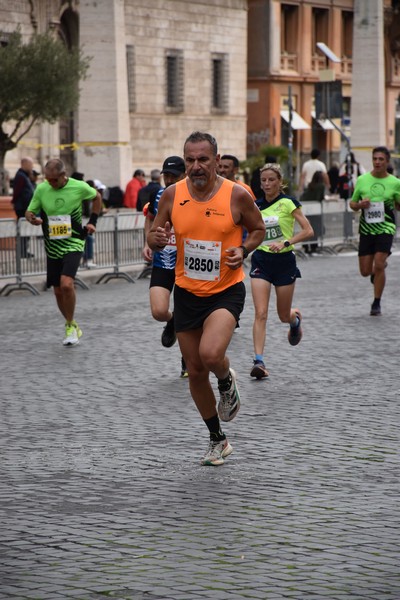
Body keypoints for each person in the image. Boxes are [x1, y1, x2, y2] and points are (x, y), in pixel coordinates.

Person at [147, 131, 265, 467]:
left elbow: (258, 229)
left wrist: (243, 249)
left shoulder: (237, 195)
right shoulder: (172, 194)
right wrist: (155, 237)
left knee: (211, 354)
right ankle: (217, 439)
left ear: (216, 160)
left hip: (226, 290)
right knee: (196, 371)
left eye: (202, 159)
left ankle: (227, 381)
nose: (196, 166)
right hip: (187, 292)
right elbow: (156, 235)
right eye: (190, 160)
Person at [25, 158, 102, 345]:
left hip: (74, 242)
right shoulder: (42, 189)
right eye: (47, 179)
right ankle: (71, 324)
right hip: (52, 246)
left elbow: (97, 198)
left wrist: (92, 221)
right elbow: (30, 211)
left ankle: (70, 327)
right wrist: (32, 218)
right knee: (58, 290)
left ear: (63, 175)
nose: (50, 183)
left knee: (67, 284)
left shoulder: (79, 186)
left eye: (54, 180)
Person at [249, 163, 314, 379]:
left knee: (283, 314)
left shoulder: (288, 203)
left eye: (271, 180)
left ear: (279, 182)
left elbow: (308, 231)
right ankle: (259, 361)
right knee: (260, 313)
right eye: (263, 181)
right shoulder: (255, 206)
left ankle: (295, 321)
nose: (267, 184)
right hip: (261, 261)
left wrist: (286, 242)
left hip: (284, 261)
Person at [142, 156, 188, 378]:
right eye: (166, 176)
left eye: (173, 176)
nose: (169, 180)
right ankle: (172, 321)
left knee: (188, 315)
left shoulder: (194, 196)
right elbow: (150, 218)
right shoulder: (157, 194)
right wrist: (147, 242)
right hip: (162, 260)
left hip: (186, 264)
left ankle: (187, 361)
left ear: (185, 175)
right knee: (159, 311)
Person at [349, 146, 400, 317]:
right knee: (365, 271)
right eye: (375, 159)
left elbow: (399, 205)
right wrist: (360, 205)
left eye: (381, 159)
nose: (377, 162)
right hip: (366, 228)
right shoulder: (363, 180)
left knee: (378, 264)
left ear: (387, 161)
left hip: (386, 227)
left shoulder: (395, 182)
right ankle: (378, 270)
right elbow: (352, 203)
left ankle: (376, 303)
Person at [11, 157, 35, 258]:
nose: (31, 167)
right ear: (24, 164)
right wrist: (13, 201)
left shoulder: (25, 176)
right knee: (23, 230)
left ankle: (24, 250)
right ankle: (22, 251)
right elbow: (17, 191)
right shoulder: (21, 176)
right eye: (30, 164)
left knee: (26, 230)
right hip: (22, 208)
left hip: (25, 207)